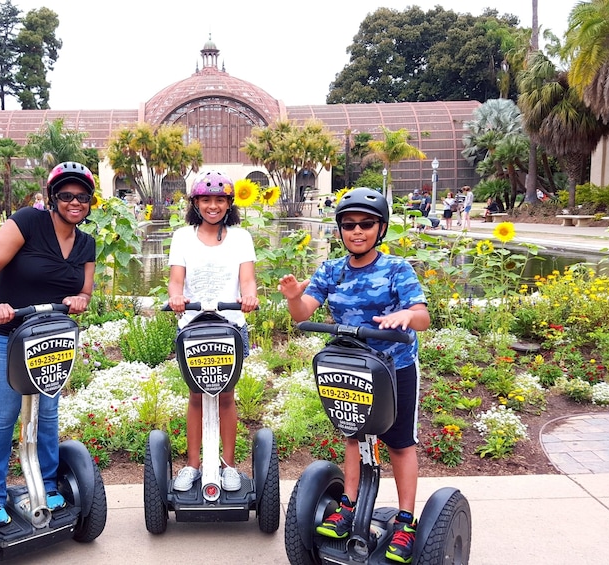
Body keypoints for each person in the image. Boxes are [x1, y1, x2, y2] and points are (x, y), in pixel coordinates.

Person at [278, 187, 429, 564]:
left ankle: (406, 522)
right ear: (340, 229)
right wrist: (296, 296)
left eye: (366, 224)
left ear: (381, 228)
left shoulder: (397, 268)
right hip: (349, 367)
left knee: (398, 443)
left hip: (394, 367)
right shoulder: (331, 269)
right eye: (349, 225)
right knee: (353, 434)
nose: (357, 231)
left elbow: (422, 317)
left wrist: (406, 316)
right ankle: (349, 504)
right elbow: (304, 313)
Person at [0, 161, 96, 528]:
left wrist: (80, 300)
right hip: (2, 333)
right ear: (53, 197)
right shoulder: (27, 221)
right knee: (3, 413)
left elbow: (85, 291)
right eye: (67, 195)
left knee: (47, 411)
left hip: (48, 337)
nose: (75, 202)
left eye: (83, 197)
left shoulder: (87, 244)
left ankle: (44, 484)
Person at [168, 170, 259, 493]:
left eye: (220, 200)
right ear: (195, 203)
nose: (213, 206)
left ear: (229, 204)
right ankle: (193, 464)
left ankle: (229, 465)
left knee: (226, 396)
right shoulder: (182, 236)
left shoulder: (241, 237)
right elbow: (176, 279)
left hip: (230, 326)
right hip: (192, 326)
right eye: (206, 200)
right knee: (196, 395)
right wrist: (176, 297)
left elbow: (247, 278)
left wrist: (249, 296)